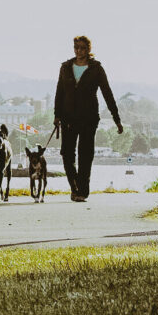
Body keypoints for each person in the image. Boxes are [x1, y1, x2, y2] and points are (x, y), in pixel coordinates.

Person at [53, 35, 123, 202]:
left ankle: (82, 190)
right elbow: (59, 93)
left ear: (89, 50)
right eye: (76, 47)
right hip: (68, 118)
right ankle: (74, 186)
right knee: (67, 154)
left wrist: (116, 119)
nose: (79, 51)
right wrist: (57, 115)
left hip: (88, 118)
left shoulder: (96, 69)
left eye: (83, 48)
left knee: (85, 155)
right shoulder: (65, 67)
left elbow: (107, 93)